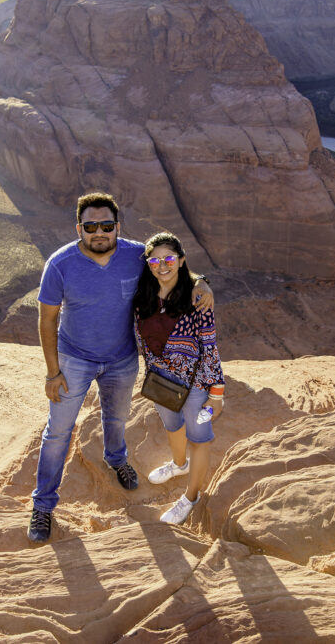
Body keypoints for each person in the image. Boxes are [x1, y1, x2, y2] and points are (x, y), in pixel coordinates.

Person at [29, 193, 213, 543]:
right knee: (58, 432)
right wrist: (53, 372)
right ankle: (43, 506)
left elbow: (169, 264)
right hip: (74, 359)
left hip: (122, 359)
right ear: (79, 228)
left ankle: (116, 459)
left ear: (118, 227)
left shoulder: (134, 254)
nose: (99, 233)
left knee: (115, 419)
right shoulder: (59, 263)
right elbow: (47, 318)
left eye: (107, 226)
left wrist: (200, 280)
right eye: (91, 226)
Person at [133, 232, 225, 525]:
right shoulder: (143, 298)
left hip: (197, 386)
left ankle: (191, 497)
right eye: (156, 260)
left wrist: (216, 394)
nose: (163, 265)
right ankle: (178, 464)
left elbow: (210, 346)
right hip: (160, 382)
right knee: (173, 426)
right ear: (149, 264)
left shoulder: (197, 298)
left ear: (181, 260)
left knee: (199, 440)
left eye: (170, 258)